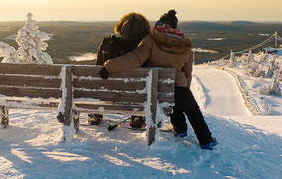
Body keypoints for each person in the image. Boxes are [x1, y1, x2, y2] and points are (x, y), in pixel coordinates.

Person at [100, 9, 218, 149]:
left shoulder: (150, 40)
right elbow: (187, 73)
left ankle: (181, 129)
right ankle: (203, 139)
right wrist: (185, 90)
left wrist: (109, 67)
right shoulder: (185, 46)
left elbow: (134, 59)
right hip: (178, 90)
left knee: (172, 96)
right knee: (191, 109)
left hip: (153, 91)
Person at [89, 12, 151, 127]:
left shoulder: (107, 43)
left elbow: (97, 68)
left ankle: (95, 114)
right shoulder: (144, 49)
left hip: (107, 91)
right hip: (135, 94)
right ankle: (137, 116)